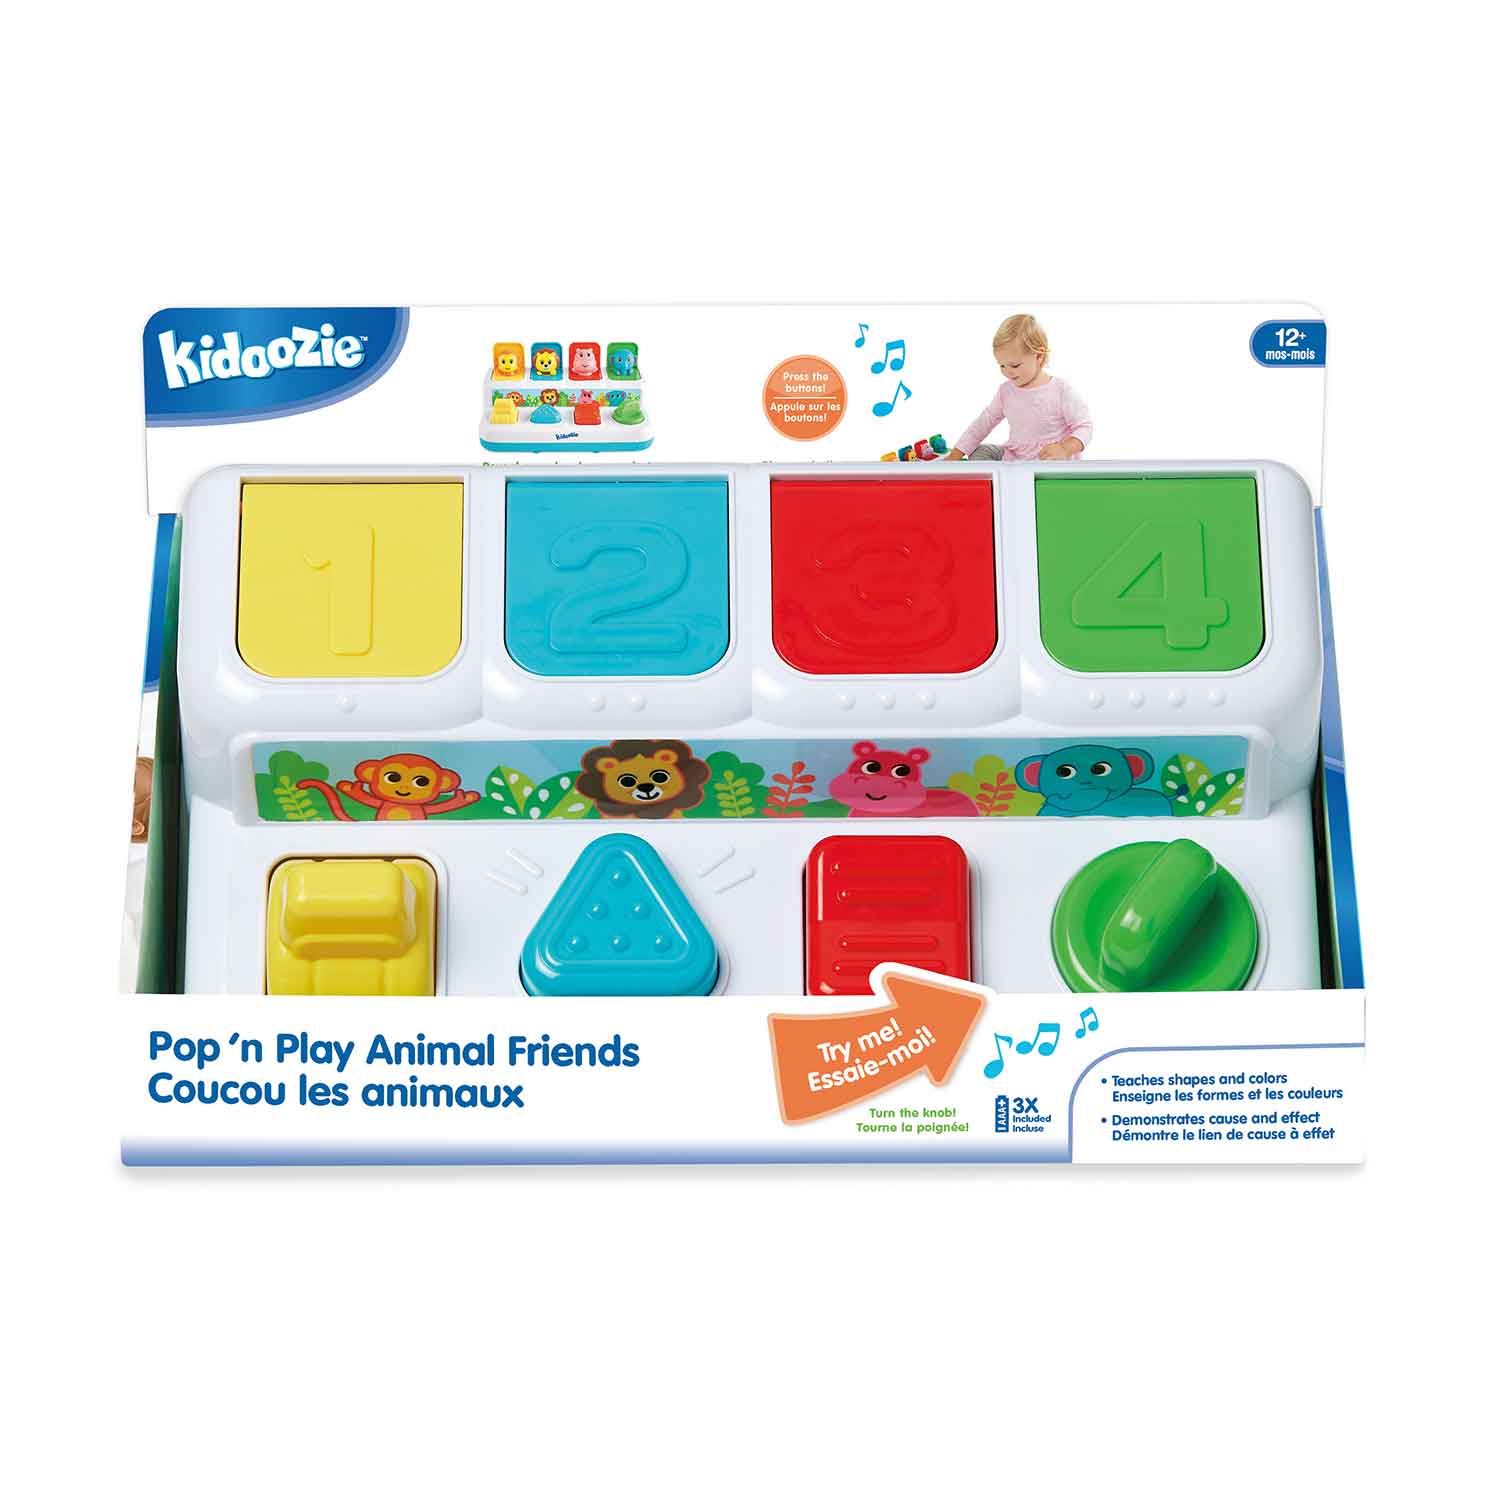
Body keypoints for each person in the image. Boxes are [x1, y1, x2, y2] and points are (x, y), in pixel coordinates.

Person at [948, 313, 1093, 461]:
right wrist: (955, 455)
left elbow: (1084, 427)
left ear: (1039, 356)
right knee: (981, 452)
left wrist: (1065, 448)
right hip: (1015, 458)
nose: (1007, 372)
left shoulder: (1060, 390)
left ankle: (1017, 475)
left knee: (1052, 464)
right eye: (1002, 365)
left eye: (1015, 365)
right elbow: (982, 424)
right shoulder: (1005, 391)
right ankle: (1003, 475)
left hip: (1049, 460)